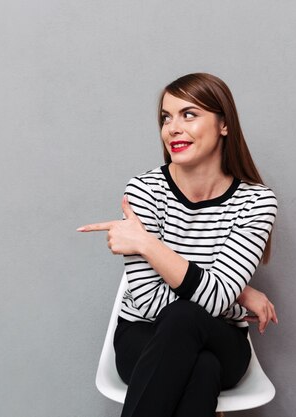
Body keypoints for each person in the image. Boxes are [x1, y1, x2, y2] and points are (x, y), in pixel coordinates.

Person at [77, 73, 278, 417]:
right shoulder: (144, 191)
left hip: (223, 339)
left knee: (185, 317)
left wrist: (145, 243)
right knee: (201, 369)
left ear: (224, 125)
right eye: (166, 117)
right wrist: (235, 292)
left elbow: (214, 300)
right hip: (142, 336)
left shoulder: (256, 202)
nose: (172, 127)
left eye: (189, 114)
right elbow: (152, 302)